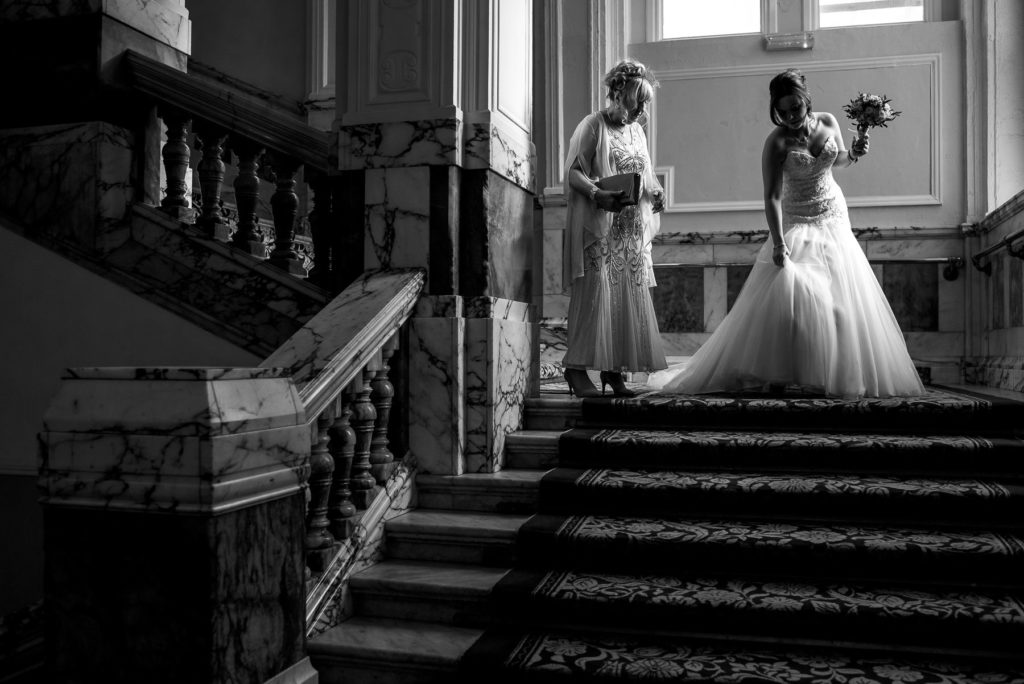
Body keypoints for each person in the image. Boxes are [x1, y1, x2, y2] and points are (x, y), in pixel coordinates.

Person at [650, 69, 924, 399]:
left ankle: (836, 373)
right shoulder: (776, 142)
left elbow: (840, 163)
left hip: (834, 216)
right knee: (797, 299)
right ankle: (780, 372)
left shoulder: (827, 123)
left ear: (806, 102)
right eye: (783, 111)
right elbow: (771, 196)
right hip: (796, 221)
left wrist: (855, 153)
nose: (791, 117)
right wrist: (779, 242)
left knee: (842, 299)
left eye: (796, 108)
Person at [561, 59, 668, 398]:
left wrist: (656, 192)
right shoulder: (594, 125)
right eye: (640, 98)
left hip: (631, 234)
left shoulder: (638, 132)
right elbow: (573, 173)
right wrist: (597, 193)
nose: (643, 107)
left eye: (647, 100)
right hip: (602, 228)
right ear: (620, 93)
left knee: (624, 301)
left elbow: (645, 176)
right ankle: (576, 371)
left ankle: (613, 371)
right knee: (596, 298)